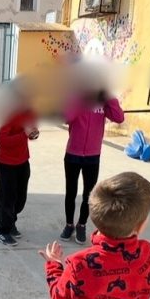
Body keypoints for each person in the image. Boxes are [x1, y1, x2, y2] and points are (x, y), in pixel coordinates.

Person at [60, 88, 124, 244]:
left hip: (93, 156)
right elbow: (67, 117)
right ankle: (69, 224)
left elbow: (119, 117)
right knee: (71, 192)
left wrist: (109, 97)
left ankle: (81, 224)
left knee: (89, 195)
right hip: (73, 154)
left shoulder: (103, 102)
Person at [0, 93, 39, 247]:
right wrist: (23, 134)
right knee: (8, 199)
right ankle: (2, 231)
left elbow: (30, 133)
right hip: (6, 164)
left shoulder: (29, 113)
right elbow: (2, 140)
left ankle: (11, 222)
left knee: (20, 200)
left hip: (23, 161)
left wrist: (32, 133)